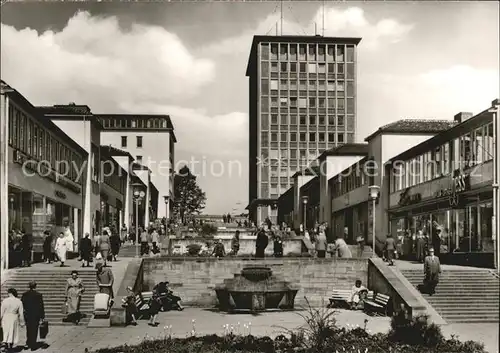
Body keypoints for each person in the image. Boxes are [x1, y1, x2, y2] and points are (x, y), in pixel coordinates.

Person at [21, 281, 45, 350]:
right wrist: (42, 316)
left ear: (29, 286)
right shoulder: (38, 295)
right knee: (34, 329)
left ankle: (27, 343)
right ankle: (33, 344)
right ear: (35, 286)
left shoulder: (25, 294)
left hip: (27, 314)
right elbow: (41, 306)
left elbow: (22, 303)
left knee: (28, 329)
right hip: (36, 315)